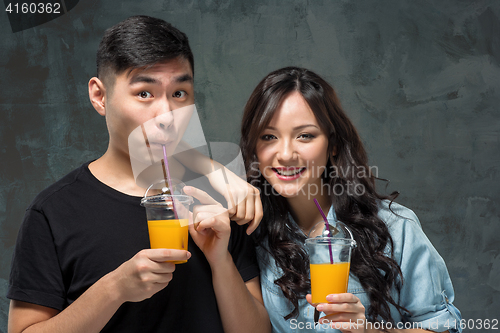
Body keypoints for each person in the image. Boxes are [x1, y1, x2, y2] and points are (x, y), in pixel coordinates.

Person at [7, 16, 270, 333]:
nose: (166, 117)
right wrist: (114, 289)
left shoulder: (218, 196)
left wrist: (220, 261)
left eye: (179, 94)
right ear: (100, 96)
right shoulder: (52, 212)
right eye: (144, 93)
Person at [240, 67, 462, 332]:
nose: (286, 154)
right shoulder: (251, 232)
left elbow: (442, 328)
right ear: (254, 147)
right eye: (269, 137)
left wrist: (368, 330)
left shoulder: (394, 227)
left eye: (305, 135)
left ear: (332, 145)